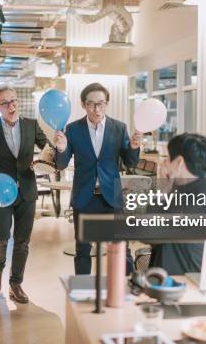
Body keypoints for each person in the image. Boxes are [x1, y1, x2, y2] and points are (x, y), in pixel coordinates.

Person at [54, 82, 141, 275]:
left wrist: (133, 147)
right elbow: (61, 164)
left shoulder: (119, 128)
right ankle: (82, 292)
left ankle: (125, 288)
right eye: (91, 104)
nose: (96, 109)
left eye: (101, 103)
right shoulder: (73, 129)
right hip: (84, 198)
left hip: (111, 197)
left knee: (121, 248)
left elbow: (130, 162)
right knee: (83, 250)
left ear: (107, 103)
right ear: (84, 105)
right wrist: (60, 148)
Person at [0, 86, 49, 303]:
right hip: (2, 192)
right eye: (5, 103)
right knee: (0, 236)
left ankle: (16, 283)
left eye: (13, 101)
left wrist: (56, 151)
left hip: (27, 191)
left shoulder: (31, 124)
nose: (11, 105)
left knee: (22, 241)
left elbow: (47, 150)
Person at [150, 133, 206, 275]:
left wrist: (161, 190)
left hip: (182, 285)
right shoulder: (193, 189)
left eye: (167, 158)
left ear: (179, 162)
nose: (163, 163)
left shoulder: (191, 203)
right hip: (171, 276)